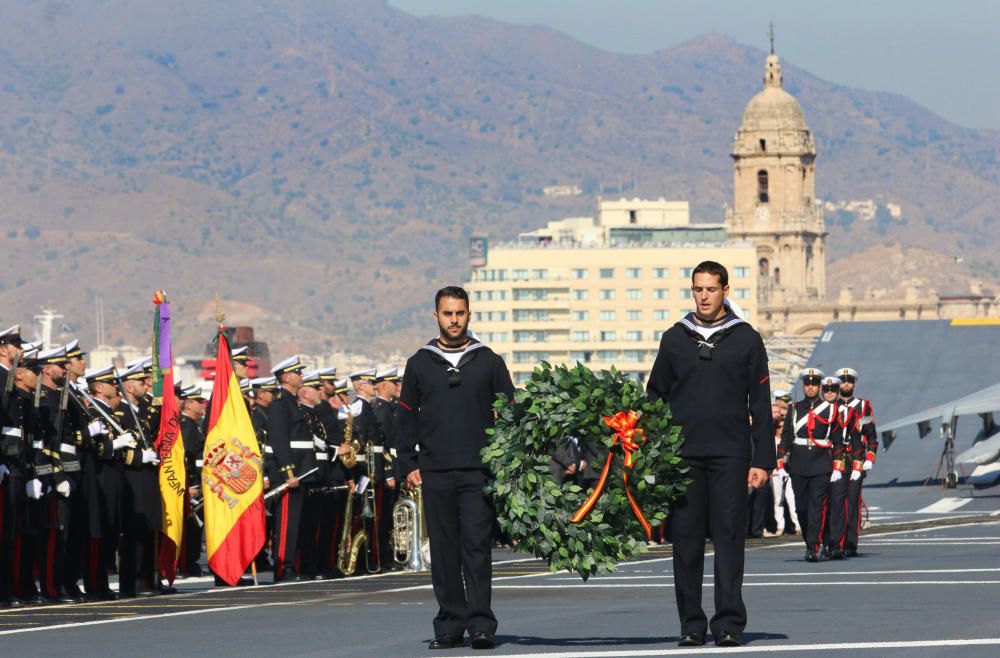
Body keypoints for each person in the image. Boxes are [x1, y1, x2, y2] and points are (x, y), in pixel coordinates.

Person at [646, 261, 775, 648]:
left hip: (731, 454)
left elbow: (762, 404)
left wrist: (762, 459)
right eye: (697, 289)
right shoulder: (674, 339)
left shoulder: (746, 339)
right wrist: (652, 449)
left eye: (711, 289)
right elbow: (655, 396)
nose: (703, 296)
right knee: (684, 542)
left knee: (729, 538)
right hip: (683, 456)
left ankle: (729, 623)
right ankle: (691, 624)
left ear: (725, 291)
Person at [397, 285, 514, 651]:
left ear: (469, 314)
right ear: (436, 316)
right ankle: (449, 624)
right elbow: (404, 418)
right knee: (444, 550)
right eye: (447, 314)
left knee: (476, 548)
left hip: (477, 471)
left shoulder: (489, 361)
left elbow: (510, 413)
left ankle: (482, 624)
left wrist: (505, 460)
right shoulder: (419, 364)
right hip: (435, 470)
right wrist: (408, 464)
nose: (454, 320)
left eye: (460, 313)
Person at [777, 369, 842, 562]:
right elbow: (786, 438)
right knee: (801, 508)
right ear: (804, 386)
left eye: (814, 384)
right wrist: (780, 465)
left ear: (819, 386)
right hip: (798, 464)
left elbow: (837, 440)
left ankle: (813, 546)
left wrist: (837, 466)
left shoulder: (830, 409)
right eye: (807, 384)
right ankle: (809, 541)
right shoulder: (795, 408)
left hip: (821, 463)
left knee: (816, 506)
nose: (810, 387)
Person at [835, 368, 877, 557]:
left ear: (853, 384)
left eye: (849, 381)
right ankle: (835, 541)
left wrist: (869, 458)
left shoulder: (863, 406)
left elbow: (871, 436)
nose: (846, 384)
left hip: (855, 459)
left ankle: (850, 543)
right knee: (834, 502)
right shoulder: (830, 405)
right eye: (843, 381)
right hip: (834, 459)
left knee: (852, 501)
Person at [764, 391, 799, 537]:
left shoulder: (789, 437)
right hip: (776, 472)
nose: (781, 426)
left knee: (792, 498)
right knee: (778, 500)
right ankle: (780, 526)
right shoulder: (770, 436)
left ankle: (797, 525)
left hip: (789, 469)